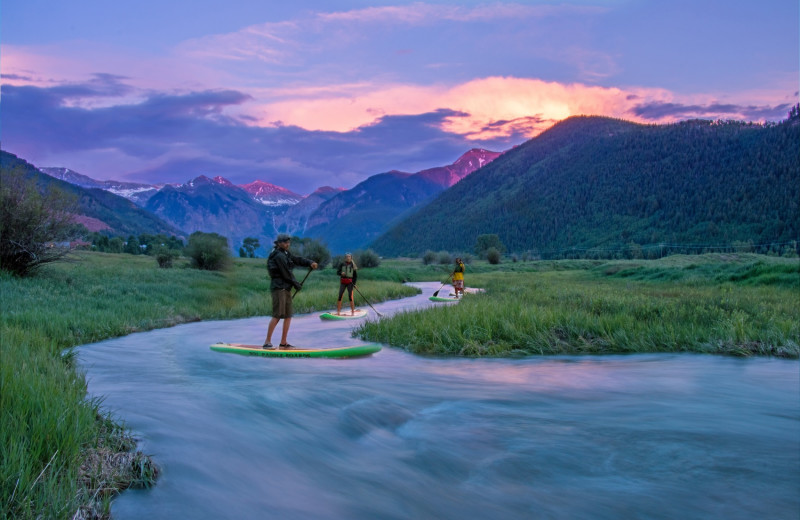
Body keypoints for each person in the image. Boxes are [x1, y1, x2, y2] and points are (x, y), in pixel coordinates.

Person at [263, 234, 317, 349]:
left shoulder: (285, 253)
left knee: (288, 315)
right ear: (279, 243)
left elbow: (297, 259)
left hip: (286, 288)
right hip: (278, 288)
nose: (288, 244)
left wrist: (309, 262)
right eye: (285, 242)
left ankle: (283, 342)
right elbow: (286, 273)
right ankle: (267, 342)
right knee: (277, 315)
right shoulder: (278, 255)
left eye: (289, 242)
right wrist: (296, 284)